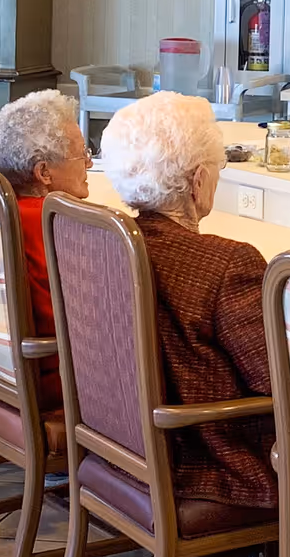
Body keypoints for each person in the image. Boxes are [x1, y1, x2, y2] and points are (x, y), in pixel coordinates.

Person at [97, 91, 275, 509]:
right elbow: (277, 382)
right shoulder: (228, 263)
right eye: (218, 169)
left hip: (119, 448)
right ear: (198, 180)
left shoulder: (106, 239)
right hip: (212, 462)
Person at [0, 90, 91, 405]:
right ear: (43, 172)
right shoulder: (57, 226)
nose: (89, 162)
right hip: (61, 378)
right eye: (82, 153)